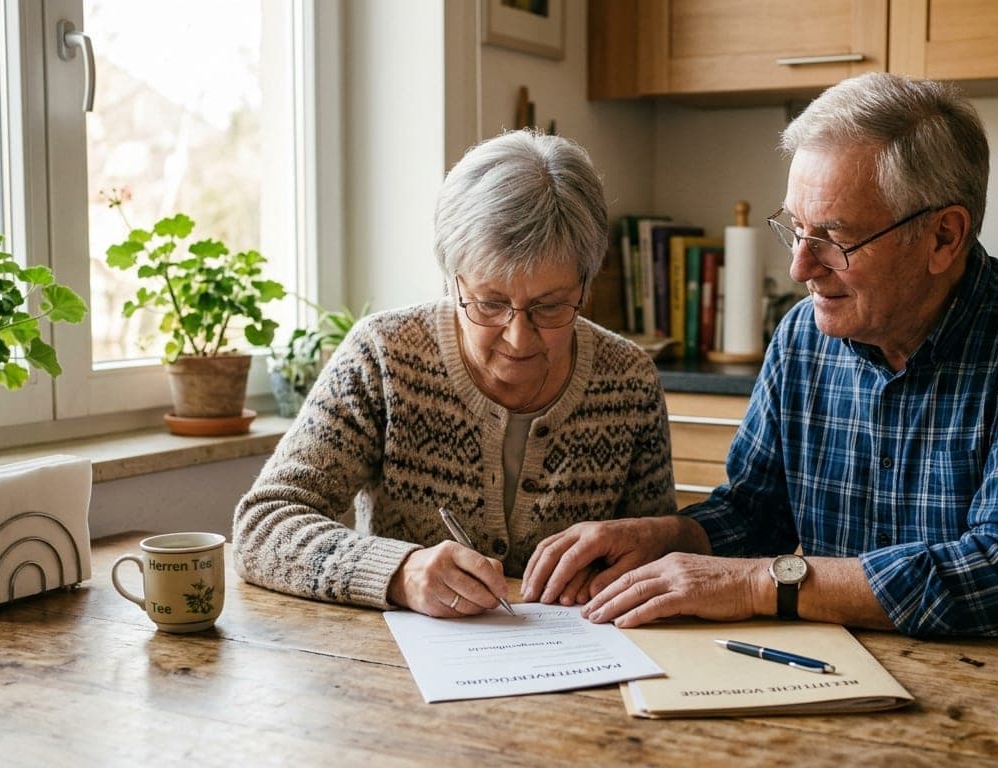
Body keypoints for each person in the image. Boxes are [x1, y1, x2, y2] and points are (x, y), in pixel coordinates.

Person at [522, 72, 998, 647]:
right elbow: (756, 513)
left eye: (833, 238)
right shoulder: (802, 336)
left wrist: (758, 583)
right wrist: (668, 536)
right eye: (795, 228)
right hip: (845, 669)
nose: (799, 268)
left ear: (943, 237)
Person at [234, 130, 676, 617]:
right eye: (490, 303)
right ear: (451, 279)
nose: (519, 339)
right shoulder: (384, 356)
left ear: (586, 284)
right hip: (394, 671)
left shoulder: (628, 381)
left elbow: (657, 554)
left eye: (551, 307)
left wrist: (621, 565)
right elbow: (263, 525)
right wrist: (399, 571)